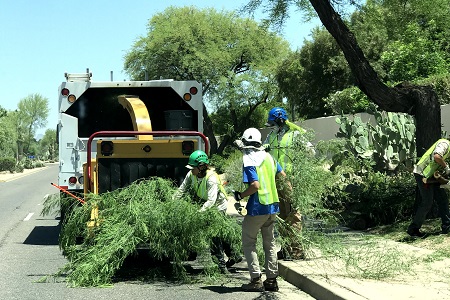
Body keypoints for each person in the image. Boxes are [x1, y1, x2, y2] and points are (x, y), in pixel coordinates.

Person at [234, 127, 286, 292]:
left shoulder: (249, 159)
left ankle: (256, 280)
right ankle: (271, 281)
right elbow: (283, 177)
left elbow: (255, 186)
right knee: (270, 243)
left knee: (249, 242)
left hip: (258, 208)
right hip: (273, 207)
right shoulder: (269, 157)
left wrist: (241, 195)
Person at [174, 150, 241, 274]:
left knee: (214, 236)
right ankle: (235, 256)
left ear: (202, 166)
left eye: (193, 167)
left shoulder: (211, 178)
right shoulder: (191, 174)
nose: (191, 169)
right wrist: (172, 201)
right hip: (206, 206)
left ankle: (221, 266)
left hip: (218, 207)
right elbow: (181, 189)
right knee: (220, 233)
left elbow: (211, 200)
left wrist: (199, 212)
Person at [263, 107, 312, 259]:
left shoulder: (295, 135)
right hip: (275, 179)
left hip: (290, 179)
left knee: (293, 214)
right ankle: (285, 248)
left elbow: (311, 151)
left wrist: (299, 167)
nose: (271, 126)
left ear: (280, 120)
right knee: (281, 214)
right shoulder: (271, 136)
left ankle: (297, 251)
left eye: (273, 122)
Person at [407, 138, 450, 237]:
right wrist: (446, 167)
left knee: (442, 199)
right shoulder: (445, 144)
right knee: (427, 202)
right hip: (422, 174)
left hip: (429, 175)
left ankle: (447, 226)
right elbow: (437, 157)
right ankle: (413, 229)